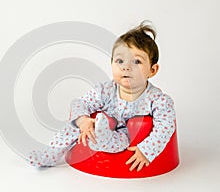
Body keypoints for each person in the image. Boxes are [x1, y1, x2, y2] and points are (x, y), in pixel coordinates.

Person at [28, 21, 176, 172]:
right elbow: (80, 103)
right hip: (98, 126)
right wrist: (83, 120)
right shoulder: (105, 90)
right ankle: (50, 155)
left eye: (136, 61)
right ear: (111, 63)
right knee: (72, 127)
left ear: (152, 70)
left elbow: (166, 126)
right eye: (119, 60)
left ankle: (103, 138)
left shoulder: (158, 100)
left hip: (124, 134)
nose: (126, 67)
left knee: (122, 140)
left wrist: (147, 150)